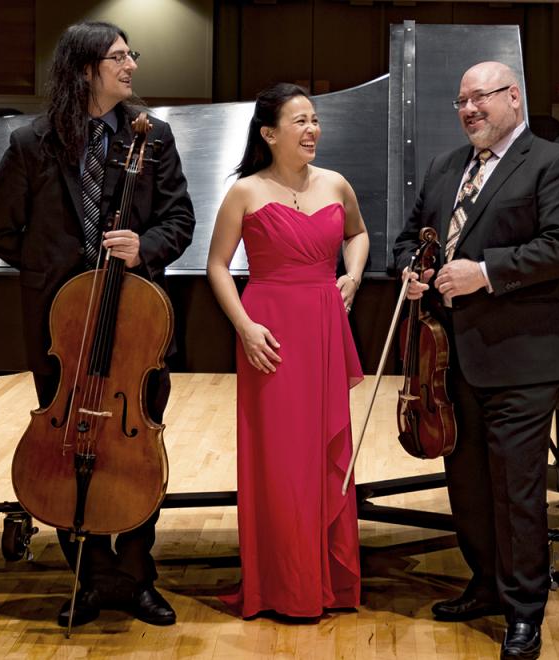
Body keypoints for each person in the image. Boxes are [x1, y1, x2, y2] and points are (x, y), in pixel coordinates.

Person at [0, 21, 195, 627]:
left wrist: (143, 246)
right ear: (84, 69)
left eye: (131, 55)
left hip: (135, 327)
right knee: (69, 447)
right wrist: (59, 272)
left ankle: (138, 575)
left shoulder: (152, 136)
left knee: (136, 448)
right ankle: (93, 578)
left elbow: (179, 220)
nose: (131, 66)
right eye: (118, 57)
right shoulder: (33, 142)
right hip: (64, 328)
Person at [393, 61, 559, 659]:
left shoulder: (553, 162)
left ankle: (525, 609)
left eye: (479, 97)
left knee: (516, 488)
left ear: (514, 97)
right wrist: (409, 271)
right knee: (468, 483)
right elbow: (409, 238)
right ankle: (484, 583)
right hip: (448, 358)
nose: (469, 109)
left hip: (521, 358)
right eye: (460, 101)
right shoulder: (445, 166)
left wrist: (484, 272)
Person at [207, 83, 369, 619]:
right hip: (268, 333)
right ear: (269, 134)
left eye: (314, 120)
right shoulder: (245, 192)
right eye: (299, 121)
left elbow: (358, 234)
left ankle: (325, 579)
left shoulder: (336, 183)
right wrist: (245, 328)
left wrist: (352, 275)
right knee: (279, 460)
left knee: (322, 453)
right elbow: (217, 266)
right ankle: (282, 585)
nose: (312, 129)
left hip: (322, 326)